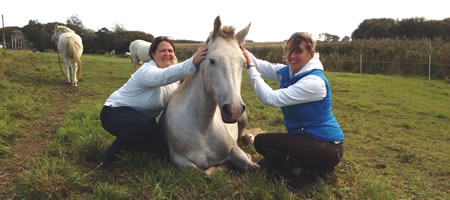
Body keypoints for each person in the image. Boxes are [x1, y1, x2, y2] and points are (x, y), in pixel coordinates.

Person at [241, 32, 344, 185]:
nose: (292, 56)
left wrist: (250, 69)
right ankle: (304, 166)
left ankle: (308, 177)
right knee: (265, 162)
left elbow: (271, 98)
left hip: (327, 148)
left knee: (262, 142)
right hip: (307, 141)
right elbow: (260, 64)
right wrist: (237, 46)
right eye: (289, 50)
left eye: (298, 51)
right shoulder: (291, 72)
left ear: (311, 54)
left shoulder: (314, 82)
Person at [100, 36, 208, 164]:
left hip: (143, 117)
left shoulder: (173, 78)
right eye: (162, 51)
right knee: (140, 126)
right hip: (114, 112)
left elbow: (188, 79)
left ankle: (133, 146)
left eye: (170, 50)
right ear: (152, 54)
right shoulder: (146, 71)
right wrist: (193, 60)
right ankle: (111, 157)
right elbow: (163, 77)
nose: (167, 54)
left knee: (161, 152)